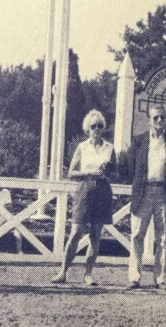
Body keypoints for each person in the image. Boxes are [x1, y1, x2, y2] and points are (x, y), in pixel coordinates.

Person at [51, 109, 116, 286]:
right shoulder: (82, 147)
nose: (96, 129)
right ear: (87, 128)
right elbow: (71, 172)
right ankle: (63, 272)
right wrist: (87, 172)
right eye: (93, 126)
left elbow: (115, 173)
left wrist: (107, 170)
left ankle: (88, 274)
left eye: (100, 126)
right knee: (76, 233)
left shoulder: (110, 148)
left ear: (103, 128)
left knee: (95, 235)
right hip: (84, 190)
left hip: (102, 191)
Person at [126, 105, 166, 291]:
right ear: (149, 119)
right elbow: (132, 168)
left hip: (164, 193)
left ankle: (160, 278)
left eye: (162, 117)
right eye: (156, 117)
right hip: (144, 192)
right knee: (136, 235)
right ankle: (134, 277)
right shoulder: (139, 141)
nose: (159, 121)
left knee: (163, 237)